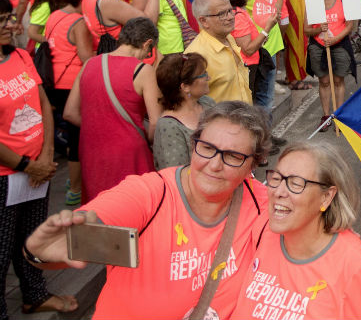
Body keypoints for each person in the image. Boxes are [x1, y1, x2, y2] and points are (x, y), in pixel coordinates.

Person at [26, 102, 271, 319]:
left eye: (233, 156)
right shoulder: (151, 194)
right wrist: (41, 252)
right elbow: (82, 237)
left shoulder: (260, 202)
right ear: (194, 143)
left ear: (255, 163)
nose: (214, 165)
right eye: (207, 148)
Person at [233, 141, 361, 320]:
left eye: (296, 183)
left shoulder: (356, 269)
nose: (279, 191)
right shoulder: (263, 229)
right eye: (276, 179)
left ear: (326, 197)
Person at [0, 0, 76, 317]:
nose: (11, 24)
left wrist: (44, 158)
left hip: (37, 170)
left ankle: (34, 294)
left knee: (33, 238)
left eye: (9, 17)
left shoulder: (19, 55)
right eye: (2, 20)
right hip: (7, 177)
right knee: (1, 249)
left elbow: (43, 102)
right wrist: (27, 165)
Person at [64, 17, 161, 203]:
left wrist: (100, 127)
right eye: (149, 51)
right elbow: (156, 122)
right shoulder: (143, 71)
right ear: (147, 43)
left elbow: (70, 112)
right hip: (129, 152)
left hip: (92, 149)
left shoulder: (89, 64)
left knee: (99, 210)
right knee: (132, 207)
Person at [40, 0, 92, 206]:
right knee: (77, 138)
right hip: (73, 86)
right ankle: (75, 188)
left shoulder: (54, 15)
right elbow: (85, 57)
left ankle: (72, 181)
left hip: (53, 82)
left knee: (67, 133)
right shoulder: (78, 22)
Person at [304, 0, 357, 130]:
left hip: (339, 44)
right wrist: (319, 30)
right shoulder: (313, 2)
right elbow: (306, 29)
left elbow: (349, 26)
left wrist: (335, 40)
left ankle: (339, 115)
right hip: (318, 46)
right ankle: (326, 116)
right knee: (324, 81)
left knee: (339, 81)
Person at [221, 0, 278, 111]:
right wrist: (267, 28)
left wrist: (261, 37)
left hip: (249, 65)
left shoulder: (238, 10)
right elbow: (248, 49)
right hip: (248, 66)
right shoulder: (237, 15)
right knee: (251, 104)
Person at [185, 0, 252, 104]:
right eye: (222, 14)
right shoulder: (196, 56)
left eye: (230, 10)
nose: (230, 17)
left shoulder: (228, 38)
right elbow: (190, 102)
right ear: (204, 21)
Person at [154, 53, 215, 169]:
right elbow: (176, 174)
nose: (209, 78)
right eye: (203, 74)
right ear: (185, 86)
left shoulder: (208, 104)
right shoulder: (168, 127)